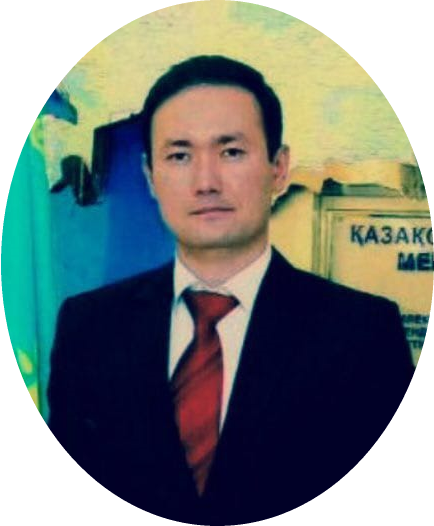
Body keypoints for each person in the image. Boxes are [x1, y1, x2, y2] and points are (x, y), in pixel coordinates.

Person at [47, 55, 433, 526]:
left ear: (279, 168)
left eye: (231, 152)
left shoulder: (360, 332)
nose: (206, 182)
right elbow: (79, 505)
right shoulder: (90, 327)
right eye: (179, 156)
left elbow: (397, 510)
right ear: (150, 176)